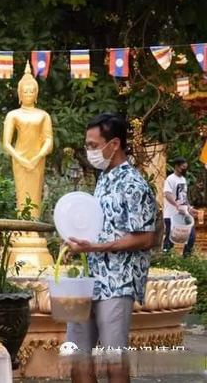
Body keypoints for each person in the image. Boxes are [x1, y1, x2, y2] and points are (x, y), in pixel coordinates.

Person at [66, 113, 157, 383]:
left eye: (93, 145)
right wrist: (75, 238)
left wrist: (95, 247)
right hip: (91, 278)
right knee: (77, 355)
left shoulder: (134, 184)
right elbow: (101, 225)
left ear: (114, 144)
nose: (89, 151)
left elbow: (145, 238)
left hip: (118, 282)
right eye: (88, 145)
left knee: (113, 361)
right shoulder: (104, 178)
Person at [162, 157, 199, 257]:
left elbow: (183, 196)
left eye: (186, 167)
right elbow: (167, 194)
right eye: (183, 167)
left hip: (184, 213)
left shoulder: (183, 179)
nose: (185, 170)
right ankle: (165, 257)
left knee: (191, 236)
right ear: (177, 166)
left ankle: (186, 258)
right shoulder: (170, 179)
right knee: (171, 238)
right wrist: (176, 205)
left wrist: (190, 208)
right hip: (171, 214)